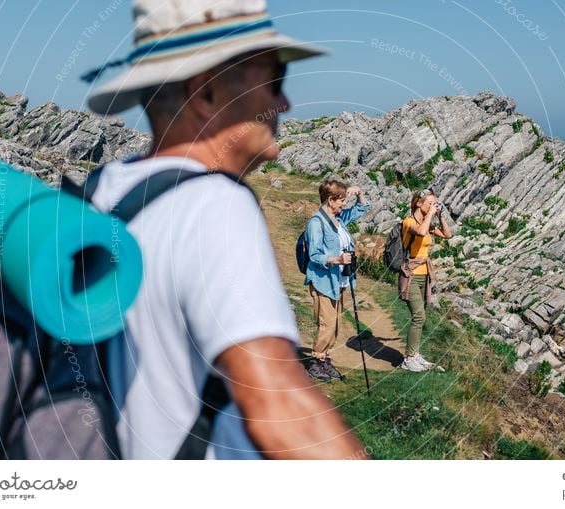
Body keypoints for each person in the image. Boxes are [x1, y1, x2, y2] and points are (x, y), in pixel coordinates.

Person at [83, 0, 366, 459]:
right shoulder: (212, 204)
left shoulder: (106, 188)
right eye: (274, 80)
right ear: (207, 92)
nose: (284, 102)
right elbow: (276, 403)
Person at [303, 179, 369, 382]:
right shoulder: (316, 223)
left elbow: (362, 208)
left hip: (339, 280)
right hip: (324, 280)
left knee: (336, 323)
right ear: (330, 200)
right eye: (341, 200)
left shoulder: (339, 220)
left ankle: (326, 359)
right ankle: (316, 361)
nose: (344, 204)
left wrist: (358, 194)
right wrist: (337, 259)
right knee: (327, 323)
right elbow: (314, 255)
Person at [399, 188, 452, 372]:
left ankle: (415, 354)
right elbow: (420, 233)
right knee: (418, 316)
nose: (433, 205)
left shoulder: (427, 223)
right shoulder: (408, 222)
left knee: (421, 316)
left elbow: (447, 235)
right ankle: (408, 359)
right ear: (418, 203)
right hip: (411, 275)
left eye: (434, 203)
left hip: (424, 275)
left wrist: (440, 216)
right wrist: (430, 214)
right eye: (429, 202)